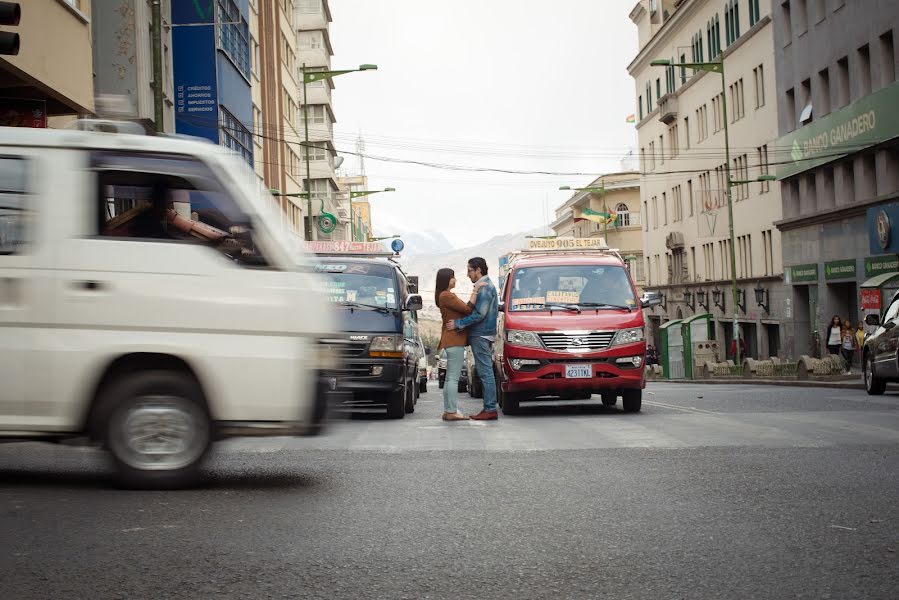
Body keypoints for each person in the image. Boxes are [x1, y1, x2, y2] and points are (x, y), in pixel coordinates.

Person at [447, 257, 499, 421]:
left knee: (485, 373)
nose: (468, 274)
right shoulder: (484, 286)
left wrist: (458, 323)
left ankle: (490, 409)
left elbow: (479, 314)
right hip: (484, 333)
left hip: (481, 334)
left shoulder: (484, 288)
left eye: (470, 270)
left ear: (478, 270)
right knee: (486, 372)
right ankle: (489, 408)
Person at [435, 268, 479, 421]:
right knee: (453, 378)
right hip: (454, 339)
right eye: (453, 277)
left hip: (450, 340)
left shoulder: (443, 296)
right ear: (447, 279)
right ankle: (451, 411)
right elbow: (467, 309)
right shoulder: (446, 295)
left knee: (449, 378)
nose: (455, 280)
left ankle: (449, 410)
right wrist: (476, 290)